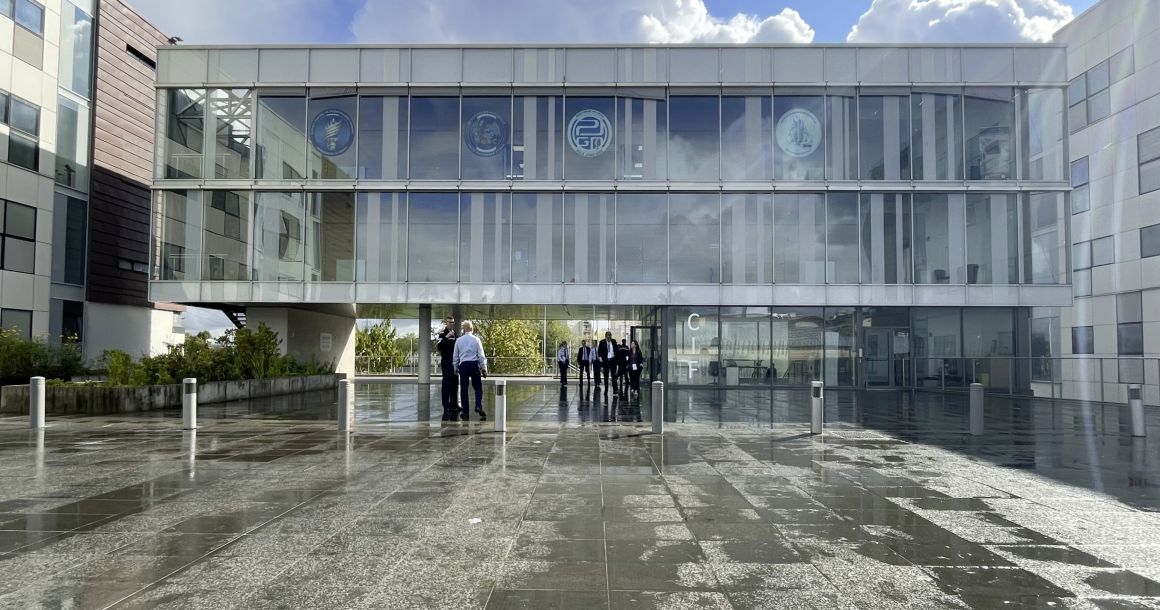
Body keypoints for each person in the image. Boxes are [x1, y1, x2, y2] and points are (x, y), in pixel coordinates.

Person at [453, 321, 488, 420]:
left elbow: (455, 356)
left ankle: (465, 412)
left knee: (464, 389)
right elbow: (481, 355)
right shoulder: (476, 340)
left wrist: (455, 368)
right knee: (477, 387)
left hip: (463, 365)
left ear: (464, 329)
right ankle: (478, 405)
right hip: (474, 365)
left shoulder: (459, 340)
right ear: (472, 329)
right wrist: (484, 368)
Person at [436, 316, 460, 420]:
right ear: (446, 323)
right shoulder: (442, 333)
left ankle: (454, 404)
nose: (452, 324)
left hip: (454, 361)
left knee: (455, 383)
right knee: (446, 383)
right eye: (450, 322)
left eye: (453, 322)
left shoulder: (455, 333)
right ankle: (446, 405)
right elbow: (439, 347)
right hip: (446, 361)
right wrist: (446, 337)